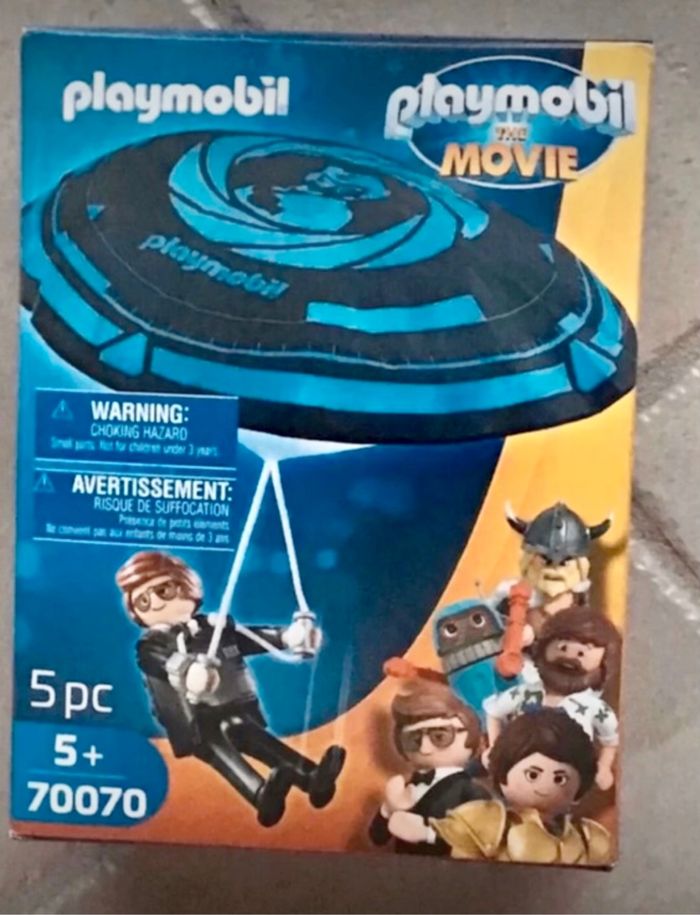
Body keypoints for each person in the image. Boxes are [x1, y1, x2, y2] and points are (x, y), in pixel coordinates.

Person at [116, 550, 345, 827]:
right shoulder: (151, 645)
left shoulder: (214, 627)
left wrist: (287, 637)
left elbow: (250, 638)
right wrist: (187, 671)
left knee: (249, 733)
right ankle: (261, 795)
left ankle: (311, 777)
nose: (155, 603)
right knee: (217, 745)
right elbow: (159, 662)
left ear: (186, 585)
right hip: (194, 720)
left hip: (230, 704)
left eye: (163, 590)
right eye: (142, 601)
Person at [432, 709, 612, 865]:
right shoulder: (483, 823)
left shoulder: (590, 839)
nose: (545, 786)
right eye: (533, 775)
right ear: (503, 771)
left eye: (560, 778)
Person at [483, 606, 621, 790]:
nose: (569, 656)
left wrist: (603, 767)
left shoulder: (593, 707)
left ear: (603, 663)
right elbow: (494, 711)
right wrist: (494, 748)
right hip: (518, 775)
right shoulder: (526, 692)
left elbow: (610, 740)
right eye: (563, 647)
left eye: (582, 652)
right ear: (544, 647)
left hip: (567, 783)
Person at [369, 679, 488, 855]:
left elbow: (484, 839)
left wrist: (429, 834)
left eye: (439, 736)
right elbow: (377, 838)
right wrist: (388, 809)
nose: (425, 748)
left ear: (470, 732)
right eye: (414, 740)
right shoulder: (408, 786)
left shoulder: (470, 791)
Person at [494, 502, 610, 678]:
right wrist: (511, 637)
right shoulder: (509, 600)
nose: (555, 569)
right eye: (546, 559)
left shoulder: (583, 614)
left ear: (580, 565)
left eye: (565, 562)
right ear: (529, 559)